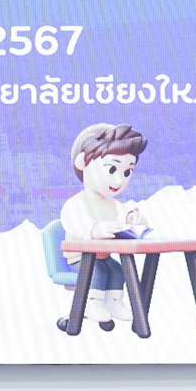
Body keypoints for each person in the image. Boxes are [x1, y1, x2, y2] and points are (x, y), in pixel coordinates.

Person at [58, 123, 150, 332]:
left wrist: (133, 220)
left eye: (127, 172)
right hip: (80, 258)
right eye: (112, 169)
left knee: (117, 270)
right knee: (97, 272)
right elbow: (75, 222)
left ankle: (113, 301)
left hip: (102, 255)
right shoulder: (76, 203)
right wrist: (94, 229)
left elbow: (122, 217)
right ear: (83, 162)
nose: (119, 180)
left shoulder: (114, 204)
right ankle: (92, 303)